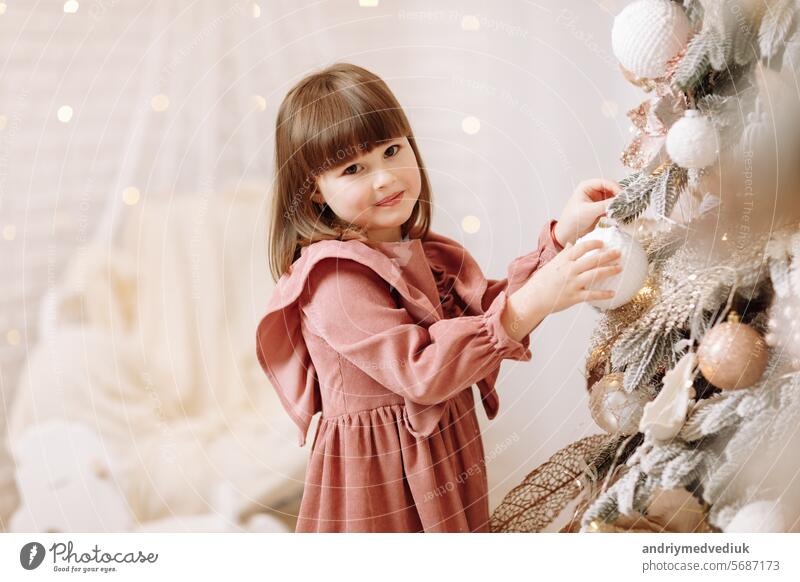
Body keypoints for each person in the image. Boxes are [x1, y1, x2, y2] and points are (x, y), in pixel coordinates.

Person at [256, 62, 621, 532]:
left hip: (438, 458)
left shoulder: (425, 255)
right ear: (314, 196)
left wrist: (564, 235)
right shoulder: (334, 280)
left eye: (392, 150)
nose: (385, 177)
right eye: (354, 168)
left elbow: (487, 312)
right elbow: (423, 370)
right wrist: (538, 300)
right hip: (381, 483)